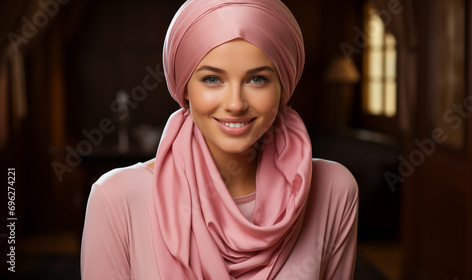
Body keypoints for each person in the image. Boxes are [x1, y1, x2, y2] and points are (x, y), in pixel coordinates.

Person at [80, 0, 358, 279]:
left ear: (283, 88)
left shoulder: (334, 190)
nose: (235, 104)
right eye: (212, 79)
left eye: (257, 79)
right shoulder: (116, 198)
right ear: (184, 87)